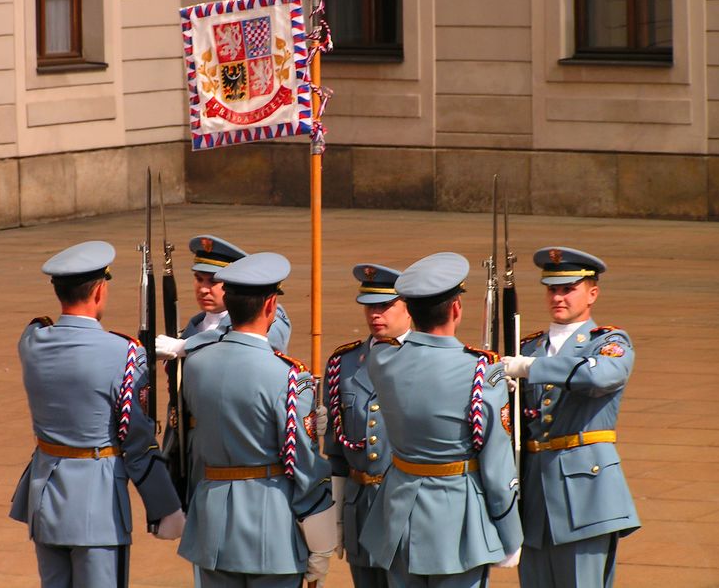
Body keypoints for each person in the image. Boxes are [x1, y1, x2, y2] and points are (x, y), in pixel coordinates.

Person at [9, 240, 184, 587]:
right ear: (100, 291)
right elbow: (137, 441)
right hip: (98, 505)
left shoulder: (32, 341)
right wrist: (164, 504)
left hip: (45, 497)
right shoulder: (123, 355)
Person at [359, 252, 523, 587]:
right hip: (456, 522)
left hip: (399, 515)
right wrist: (510, 531)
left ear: (410, 310)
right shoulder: (480, 372)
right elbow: (496, 463)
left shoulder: (382, 361)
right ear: (456, 309)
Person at [176, 252, 336, 587]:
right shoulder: (291, 377)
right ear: (270, 307)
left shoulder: (194, 364)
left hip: (211, 526)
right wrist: (321, 542)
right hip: (271, 531)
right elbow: (305, 467)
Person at [502, 246, 640, 588]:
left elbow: (598, 377)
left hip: (586, 494)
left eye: (568, 289)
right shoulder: (529, 346)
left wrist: (530, 368)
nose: (558, 297)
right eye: (552, 288)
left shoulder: (608, 342)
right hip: (535, 494)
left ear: (592, 293)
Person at [324, 263, 411, 588]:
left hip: (405, 509)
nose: (376, 314)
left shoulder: (425, 361)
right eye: (370, 306)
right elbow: (335, 451)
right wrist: (334, 518)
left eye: (385, 306)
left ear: (409, 308)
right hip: (360, 507)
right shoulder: (343, 364)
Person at [156, 234, 291, 359]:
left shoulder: (269, 315)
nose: (203, 289)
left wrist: (185, 346)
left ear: (233, 283)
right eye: (199, 279)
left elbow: (241, 338)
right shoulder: (194, 327)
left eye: (213, 281)